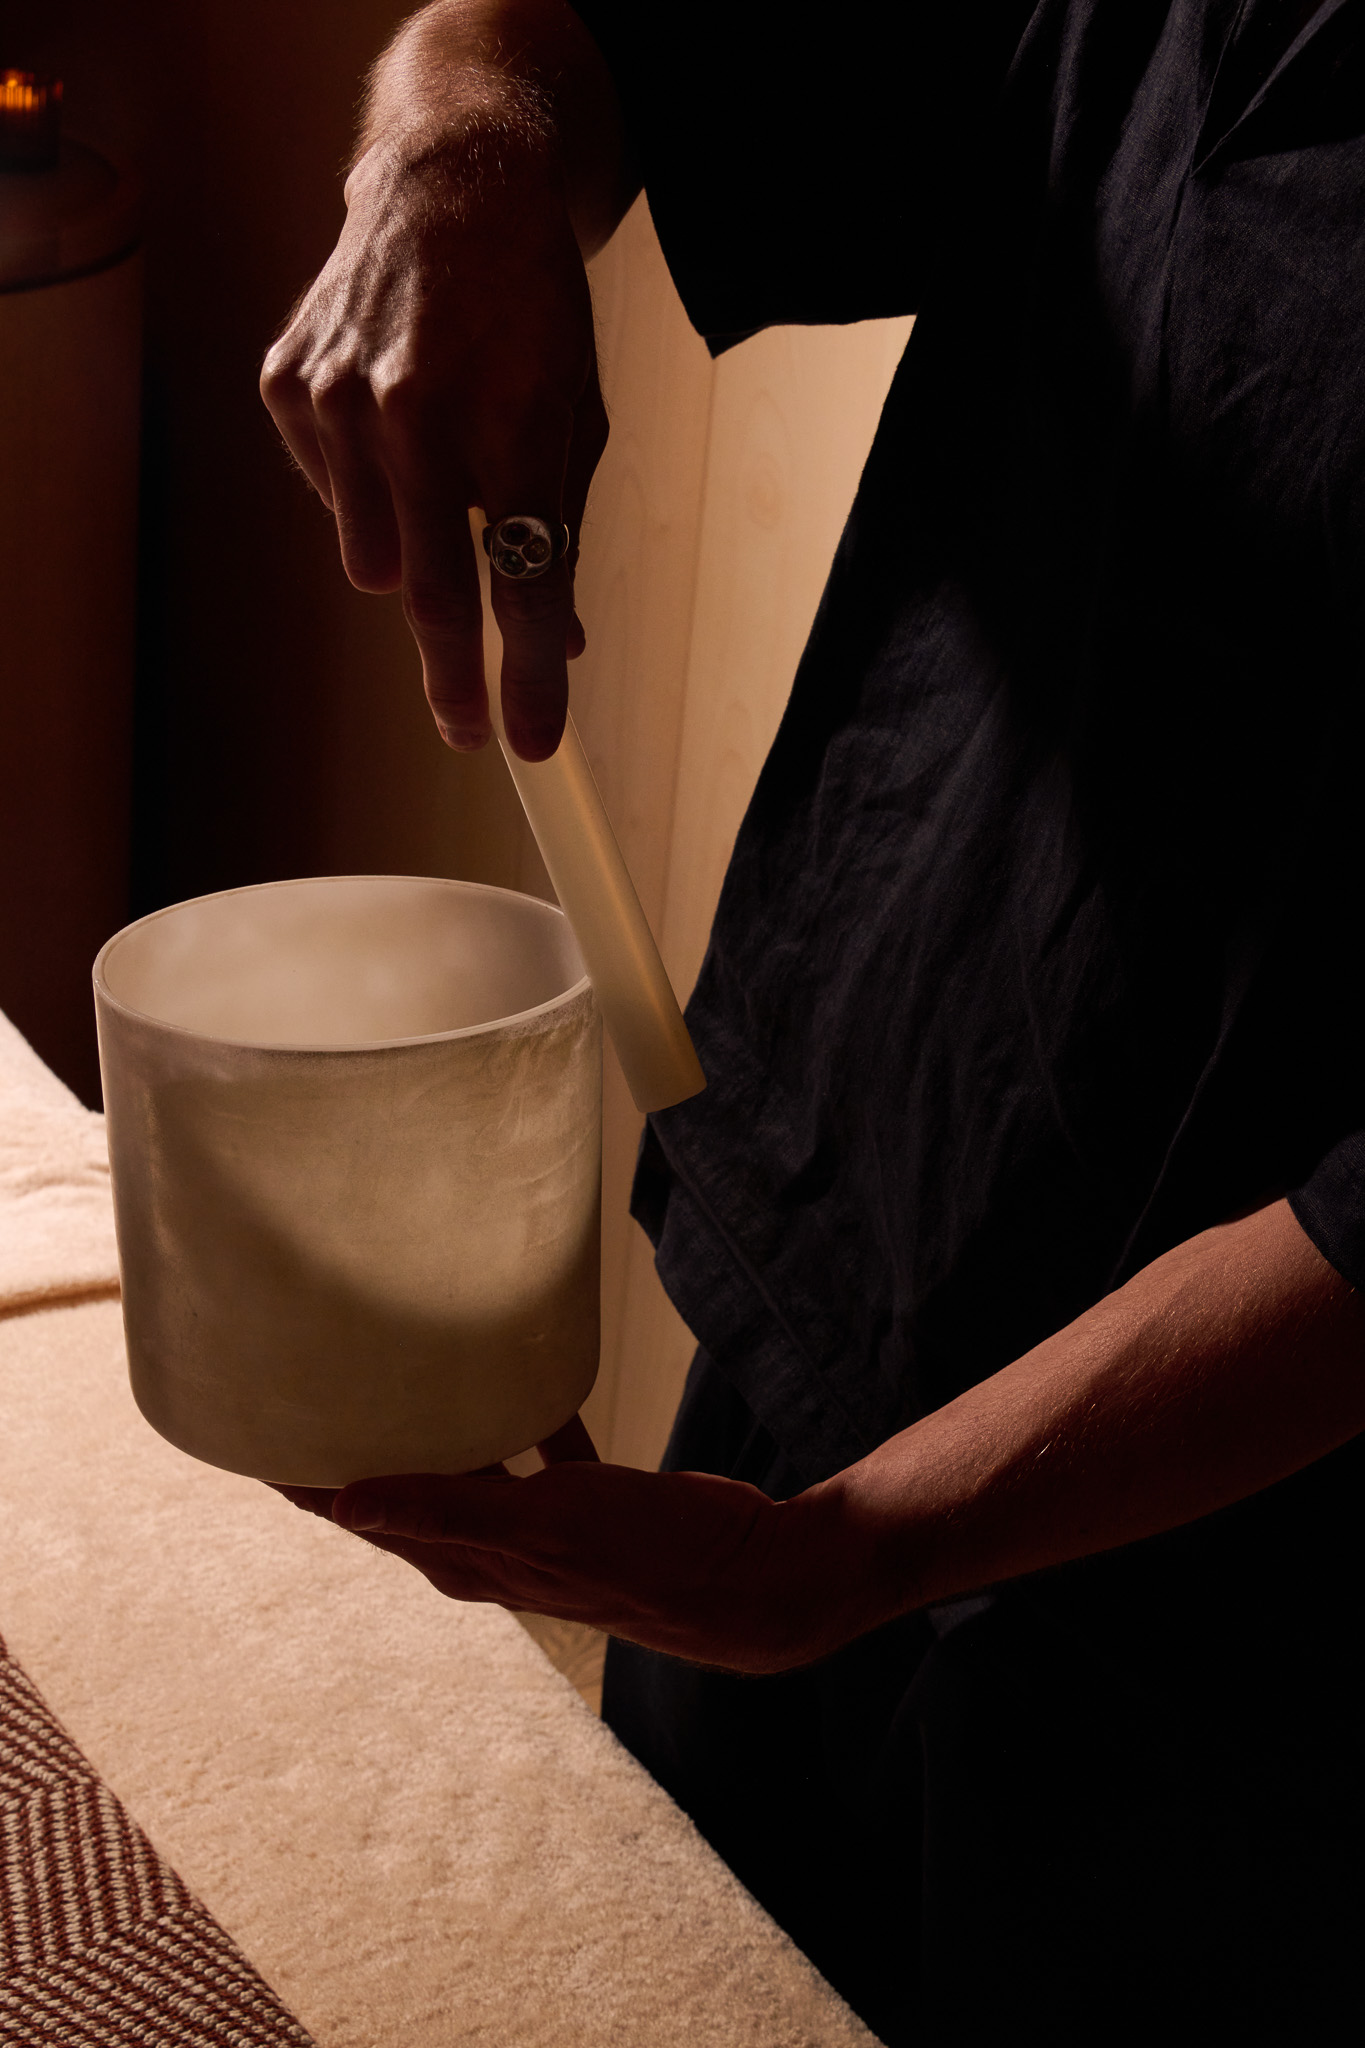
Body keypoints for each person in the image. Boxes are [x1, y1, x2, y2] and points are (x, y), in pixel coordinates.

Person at [260, 1, 1365, 2037]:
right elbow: (633, 50)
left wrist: (853, 1555)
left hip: (1257, 1647)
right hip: (827, 1365)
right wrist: (461, 134)